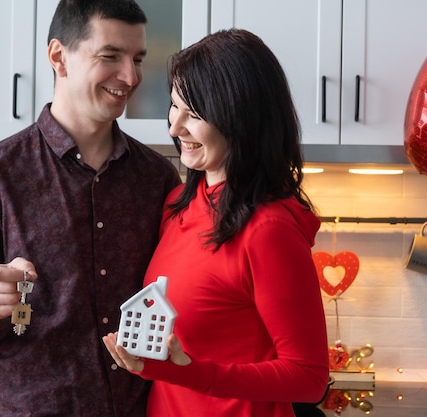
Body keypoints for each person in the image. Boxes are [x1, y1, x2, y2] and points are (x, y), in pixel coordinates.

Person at [0, 1, 181, 416]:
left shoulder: (158, 178)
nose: (130, 76)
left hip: (134, 406)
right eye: (110, 56)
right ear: (58, 57)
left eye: (137, 59)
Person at [103, 29, 329, 417]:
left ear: (241, 118)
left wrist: (195, 374)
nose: (175, 128)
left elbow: (309, 379)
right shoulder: (177, 204)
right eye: (175, 107)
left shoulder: (268, 230)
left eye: (196, 114)